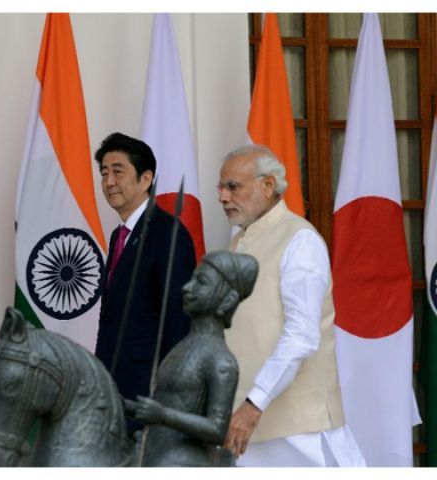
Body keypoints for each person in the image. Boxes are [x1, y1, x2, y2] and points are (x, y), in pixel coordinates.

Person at [218, 144, 366, 467]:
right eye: (221, 187)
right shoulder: (237, 244)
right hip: (247, 428)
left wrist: (254, 404)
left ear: (268, 186)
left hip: (300, 433)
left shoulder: (300, 240)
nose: (223, 197)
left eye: (233, 187)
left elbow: (301, 335)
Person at [93, 132, 196, 433]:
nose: (109, 181)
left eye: (118, 171)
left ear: (146, 178)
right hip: (115, 388)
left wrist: (169, 400)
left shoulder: (168, 233)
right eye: (104, 173)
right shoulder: (119, 236)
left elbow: (179, 320)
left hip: (149, 393)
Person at [126, 250, 258, 467]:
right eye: (192, 280)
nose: (188, 288)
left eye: (202, 282)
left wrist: (162, 415)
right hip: (153, 452)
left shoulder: (220, 360)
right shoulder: (182, 347)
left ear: (227, 300)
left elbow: (217, 430)